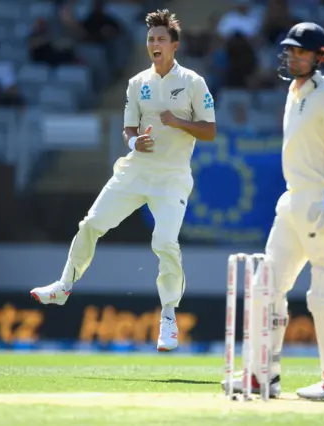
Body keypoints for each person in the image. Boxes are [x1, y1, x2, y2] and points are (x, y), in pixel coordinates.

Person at [30, 9, 216, 352]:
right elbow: (129, 128)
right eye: (150, 39)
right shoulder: (137, 83)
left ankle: (169, 316)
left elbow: (210, 130)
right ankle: (64, 285)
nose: (155, 44)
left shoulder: (192, 82)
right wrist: (134, 142)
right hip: (134, 170)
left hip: (172, 178)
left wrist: (178, 122)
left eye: (161, 39)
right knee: (90, 224)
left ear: (174, 45)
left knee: (164, 243)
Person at [222, 23, 324, 401]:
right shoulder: (293, 90)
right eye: (291, 50)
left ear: (321, 57)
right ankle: (259, 375)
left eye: (302, 51)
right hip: (293, 201)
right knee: (264, 285)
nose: (294, 56)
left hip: (323, 203)